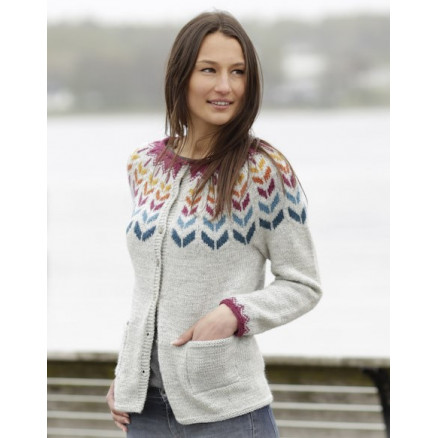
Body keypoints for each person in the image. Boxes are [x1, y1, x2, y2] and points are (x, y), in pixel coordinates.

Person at [106, 10, 322, 437]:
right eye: (209, 70)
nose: (226, 86)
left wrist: (234, 313)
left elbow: (303, 284)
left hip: (227, 413)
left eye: (237, 72)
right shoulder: (143, 166)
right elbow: (148, 290)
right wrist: (127, 372)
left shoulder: (263, 171)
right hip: (142, 410)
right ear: (181, 76)